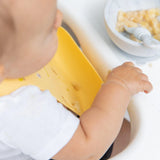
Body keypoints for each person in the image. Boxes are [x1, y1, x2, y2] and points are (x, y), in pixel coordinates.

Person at [0, 0, 153, 160]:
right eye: (49, 29)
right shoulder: (20, 108)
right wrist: (119, 86)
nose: (59, 18)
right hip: (78, 148)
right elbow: (87, 151)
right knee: (138, 136)